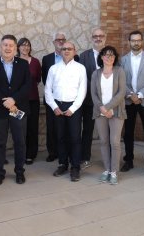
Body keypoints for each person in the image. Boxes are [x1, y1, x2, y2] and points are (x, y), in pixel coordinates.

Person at [0, 34, 31, 186]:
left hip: (18, 109)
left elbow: (27, 86)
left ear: (15, 47)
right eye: (5, 45)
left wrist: (14, 100)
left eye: (11, 45)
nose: (8, 48)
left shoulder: (23, 64)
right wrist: (5, 101)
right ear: (0, 46)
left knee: (20, 141)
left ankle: (19, 172)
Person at [45, 41, 87, 182]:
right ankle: (63, 164)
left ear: (74, 51)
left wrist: (73, 108)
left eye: (69, 49)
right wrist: (54, 107)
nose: (66, 51)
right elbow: (47, 90)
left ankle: (75, 167)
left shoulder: (81, 68)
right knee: (61, 137)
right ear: (60, 51)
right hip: (57, 106)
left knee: (75, 138)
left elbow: (82, 91)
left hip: (74, 106)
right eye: (64, 49)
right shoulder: (53, 68)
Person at [120, 30, 144, 175]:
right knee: (128, 132)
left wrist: (140, 94)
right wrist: (131, 95)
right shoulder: (123, 60)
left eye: (138, 40)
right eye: (133, 40)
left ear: (142, 41)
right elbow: (121, 81)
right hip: (129, 101)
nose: (136, 42)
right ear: (129, 42)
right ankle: (128, 160)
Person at [91, 46, 126, 185]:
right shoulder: (96, 73)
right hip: (100, 112)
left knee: (115, 142)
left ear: (115, 58)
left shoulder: (120, 71)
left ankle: (114, 171)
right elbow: (93, 93)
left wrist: (109, 107)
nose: (109, 57)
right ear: (101, 57)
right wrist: (101, 107)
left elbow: (122, 92)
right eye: (106, 55)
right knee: (104, 141)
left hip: (116, 112)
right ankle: (107, 169)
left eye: (112, 55)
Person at [79, 28, 105, 169]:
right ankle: (85, 157)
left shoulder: (110, 54)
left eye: (101, 36)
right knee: (87, 130)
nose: (98, 38)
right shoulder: (83, 56)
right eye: (95, 36)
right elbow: (81, 78)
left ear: (105, 38)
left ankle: (110, 159)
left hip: (107, 103)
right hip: (89, 101)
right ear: (91, 38)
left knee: (108, 132)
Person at [41, 32, 67, 162]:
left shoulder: (75, 57)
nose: (61, 42)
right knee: (51, 127)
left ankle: (66, 151)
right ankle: (52, 152)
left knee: (65, 127)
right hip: (51, 98)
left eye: (63, 40)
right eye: (58, 40)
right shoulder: (46, 59)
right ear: (53, 42)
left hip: (68, 99)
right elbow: (45, 80)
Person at [18, 37, 42, 165]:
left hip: (33, 100)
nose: (25, 47)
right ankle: (20, 152)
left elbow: (38, 79)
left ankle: (30, 154)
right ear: (18, 47)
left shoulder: (36, 62)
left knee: (32, 127)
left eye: (27, 45)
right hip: (17, 103)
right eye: (22, 45)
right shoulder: (14, 61)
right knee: (19, 128)